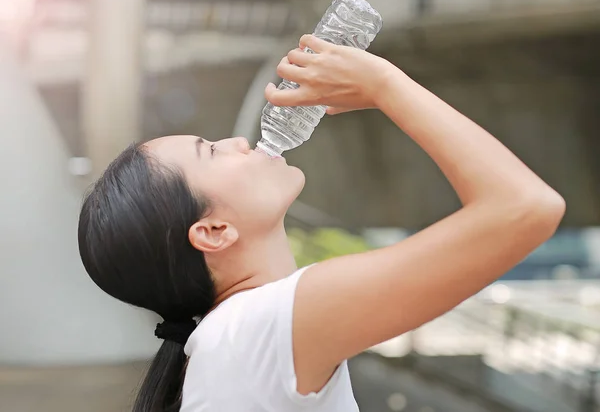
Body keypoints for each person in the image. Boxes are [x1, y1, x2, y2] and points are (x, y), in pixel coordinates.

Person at [77, 34, 565, 412]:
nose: (237, 142)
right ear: (212, 232)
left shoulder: (239, 336)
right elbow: (526, 207)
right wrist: (386, 85)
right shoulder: (266, 325)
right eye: (211, 150)